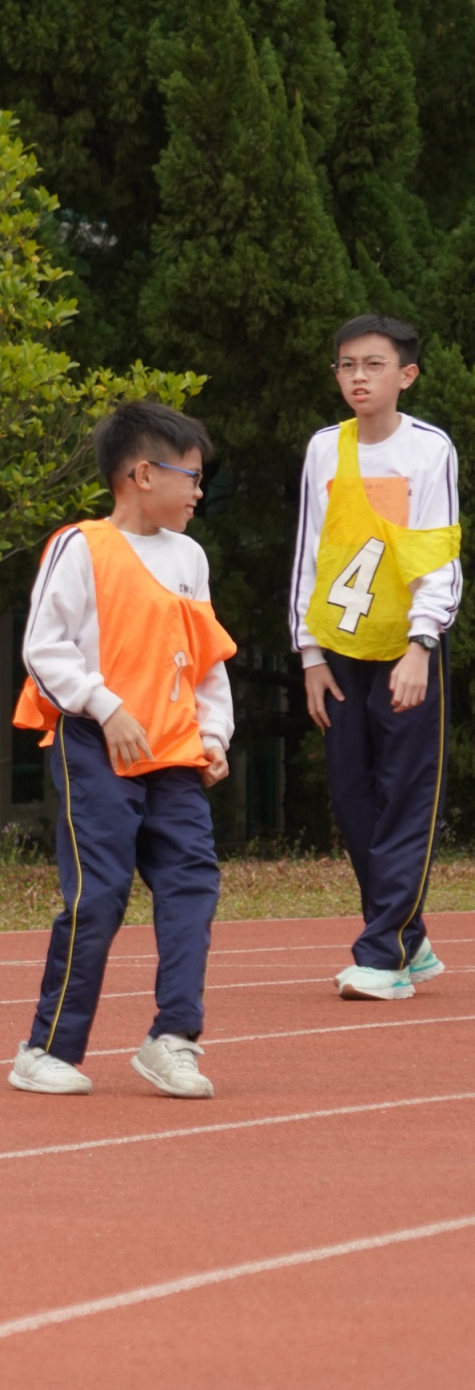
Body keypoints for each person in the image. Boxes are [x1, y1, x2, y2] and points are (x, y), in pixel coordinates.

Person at [9, 401, 236, 1100]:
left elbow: (205, 662)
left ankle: (174, 1038)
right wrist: (106, 708)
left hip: (175, 756)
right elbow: (43, 649)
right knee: (99, 894)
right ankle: (47, 1048)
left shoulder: (190, 558)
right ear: (142, 474)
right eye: (190, 476)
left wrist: (214, 734)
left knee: (192, 885)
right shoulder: (81, 547)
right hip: (93, 748)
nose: (198, 491)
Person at [294, 315, 461, 1000]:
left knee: (406, 794)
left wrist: (423, 642)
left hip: (405, 646)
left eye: (373, 364)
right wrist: (309, 652)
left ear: (406, 375)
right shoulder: (323, 449)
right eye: (346, 365)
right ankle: (408, 939)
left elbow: (438, 552)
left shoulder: (429, 448)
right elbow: (309, 551)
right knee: (351, 795)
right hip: (339, 647)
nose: (357, 377)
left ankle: (383, 952)